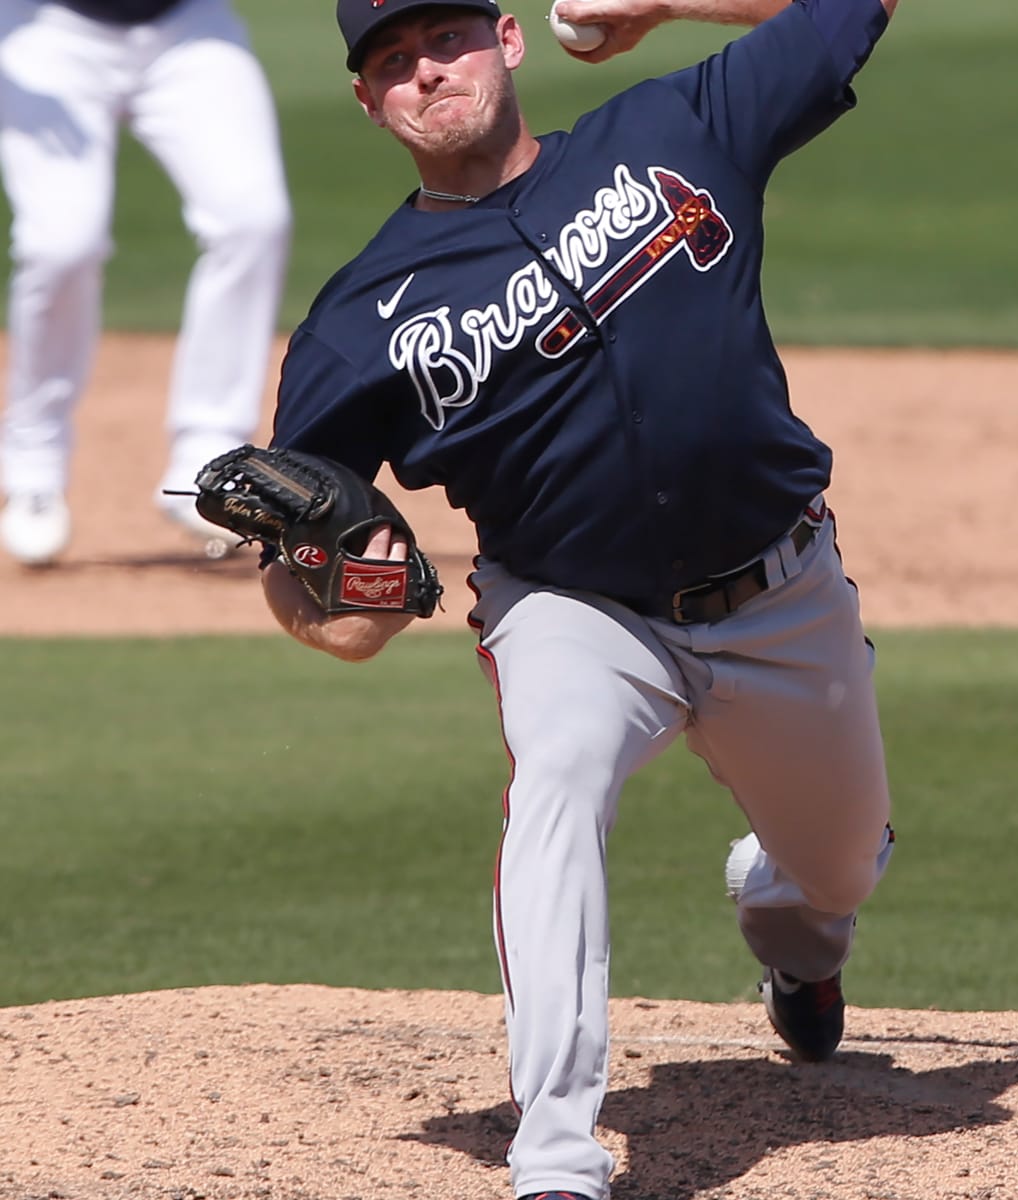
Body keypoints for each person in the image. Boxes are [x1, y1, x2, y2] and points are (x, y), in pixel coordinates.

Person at [263, 0, 900, 1196]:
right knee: (553, 779)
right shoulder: (359, 324)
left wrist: (660, 4)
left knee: (842, 869)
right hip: (574, 612)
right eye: (391, 62)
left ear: (507, 40)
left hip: (780, 591)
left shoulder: (675, 128)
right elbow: (313, 576)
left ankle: (788, 917)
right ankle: (554, 1155)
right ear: (368, 103)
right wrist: (346, 608)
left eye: (441, 39)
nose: (423, 72)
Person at [0, 0, 292, 565]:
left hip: (189, 27)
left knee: (251, 220)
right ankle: (33, 465)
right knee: (62, 244)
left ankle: (209, 457)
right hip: (46, 31)